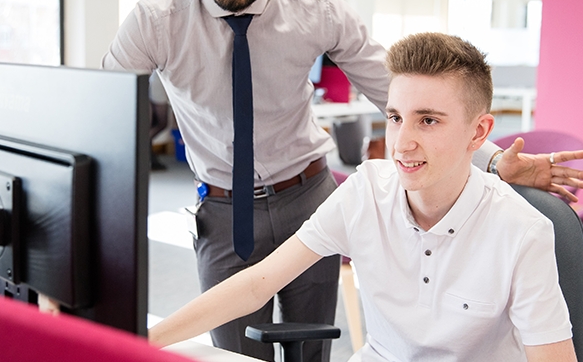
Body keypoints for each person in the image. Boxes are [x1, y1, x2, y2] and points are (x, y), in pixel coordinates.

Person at [102, 0, 583, 360]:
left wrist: (495, 161)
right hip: (224, 203)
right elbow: (103, 119)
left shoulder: (319, 10)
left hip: (307, 188)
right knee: (232, 347)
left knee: (312, 346)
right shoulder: (155, 21)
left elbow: (398, 93)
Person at [148, 32, 577, 362]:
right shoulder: (365, 191)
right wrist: (146, 340)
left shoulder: (522, 231)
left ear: (479, 132)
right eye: (394, 117)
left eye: (428, 121)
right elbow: (259, 283)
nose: (402, 144)